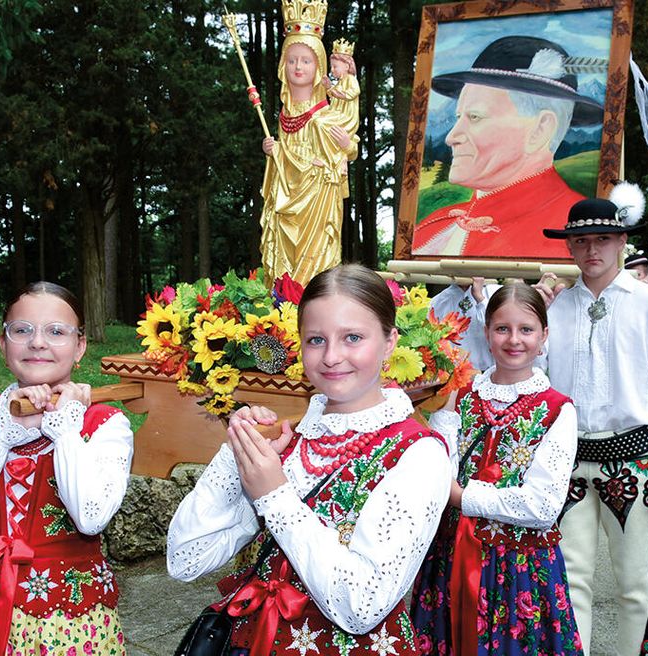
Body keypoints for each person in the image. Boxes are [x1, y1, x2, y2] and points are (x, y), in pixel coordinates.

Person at [167, 264, 453, 654]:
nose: (333, 356)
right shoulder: (296, 439)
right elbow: (186, 560)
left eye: (353, 337)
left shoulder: (419, 453)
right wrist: (238, 453)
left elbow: (363, 605)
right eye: (316, 339)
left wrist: (275, 496)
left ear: (389, 342)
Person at [0, 282, 134, 655]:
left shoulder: (105, 425)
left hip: (69, 617)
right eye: (22, 330)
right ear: (4, 345)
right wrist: (6, 434)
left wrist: (65, 425)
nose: (37, 342)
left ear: (80, 346)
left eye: (56, 331)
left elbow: (90, 517)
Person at [535, 185, 648, 656]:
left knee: (632, 580)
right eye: (581, 241)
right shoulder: (554, 310)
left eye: (602, 240)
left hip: (633, 461)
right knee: (571, 577)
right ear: (568, 246)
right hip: (568, 461)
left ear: (622, 242)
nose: (592, 250)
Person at [411, 283, 584, 656]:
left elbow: (542, 507)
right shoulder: (462, 393)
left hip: (518, 567)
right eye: (502, 328)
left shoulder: (558, 409)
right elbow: (438, 463)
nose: (514, 340)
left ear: (544, 336)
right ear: (486, 332)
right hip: (452, 556)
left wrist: (462, 496)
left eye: (526, 330)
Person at [412, 36, 603, 259]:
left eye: (475, 117)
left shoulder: (575, 234)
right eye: (458, 117)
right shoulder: (430, 227)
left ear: (540, 129)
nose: (451, 137)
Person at [259, 1, 355, 285]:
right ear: (282, 66)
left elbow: (349, 150)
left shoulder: (329, 114)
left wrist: (347, 147)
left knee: (316, 269)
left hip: (318, 200)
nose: (298, 67)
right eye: (292, 60)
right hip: (285, 197)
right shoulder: (283, 116)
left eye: (306, 60)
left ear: (320, 66)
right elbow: (284, 156)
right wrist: (272, 152)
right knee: (282, 266)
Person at [429, 277, 500, 373]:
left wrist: (480, 299)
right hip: (456, 377)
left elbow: (500, 328)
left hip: (492, 373)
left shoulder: (494, 292)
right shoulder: (437, 302)